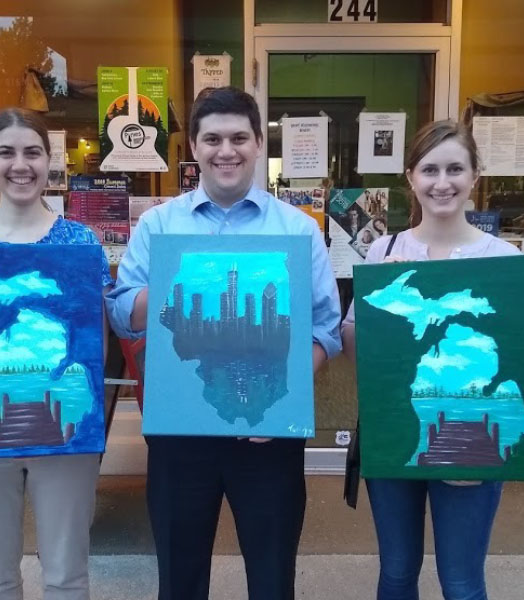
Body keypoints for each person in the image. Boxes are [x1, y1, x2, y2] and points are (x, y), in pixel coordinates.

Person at [106, 86, 341, 600]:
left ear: (259, 143)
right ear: (194, 147)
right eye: (212, 138)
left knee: (273, 576)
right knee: (180, 577)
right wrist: (175, 282)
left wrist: (282, 404)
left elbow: (324, 328)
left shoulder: (298, 229)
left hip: (267, 436)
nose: (225, 150)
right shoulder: (158, 225)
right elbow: (123, 315)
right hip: (180, 436)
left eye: (239, 137)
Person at [341, 119, 524, 600]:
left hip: (471, 432)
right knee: (395, 572)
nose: (442, 182)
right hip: (396, 430)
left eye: (456, 168)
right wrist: (378, 308)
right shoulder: (383, 251)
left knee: (461, 581)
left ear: (476, 175)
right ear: (410, 177)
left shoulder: (502, 258)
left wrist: (489, 435)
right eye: (429, 169)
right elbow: (353, 346)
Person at [0, 108, 113, 600]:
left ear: (48, 159)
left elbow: (94, 342)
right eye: (8, 152)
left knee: (66, 573)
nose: (21, 164)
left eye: (32, 152)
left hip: (64, 427)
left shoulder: (80, 242)